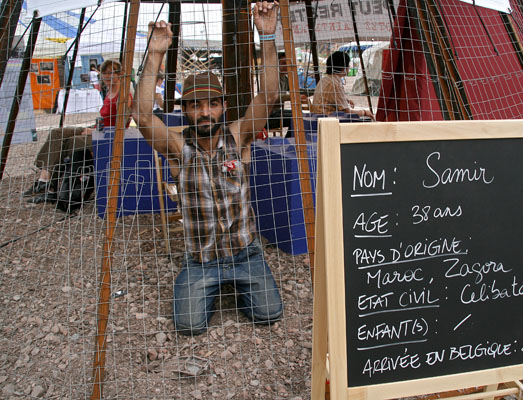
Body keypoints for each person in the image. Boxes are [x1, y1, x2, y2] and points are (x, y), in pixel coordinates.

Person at [132, 2, 283, 336]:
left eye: (212, 104)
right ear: (185, 110)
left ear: (223, 106)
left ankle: (239, 287)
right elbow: (141, 116)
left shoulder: (238, 136)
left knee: (269, 315)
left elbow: (270, 95)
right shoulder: (177, 148)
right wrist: (155, 53)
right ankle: (209, 286)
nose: (204, 113)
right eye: (195, 105)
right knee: (189, 326)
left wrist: (267, 36)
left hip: (246, 254)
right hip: (201, 260)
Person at [23, 59, 131, 203]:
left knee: (71, 142)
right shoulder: (109, 91)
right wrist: (94, 128)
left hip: (107, 135)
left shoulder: (123, 96)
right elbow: (104, 119)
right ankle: (45, 179)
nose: (107, 76)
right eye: (105, 73)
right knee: (57, 133)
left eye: (111, 73)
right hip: (98, 128)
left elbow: (121, 125)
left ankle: (51, 185)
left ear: (119, 74)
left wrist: (95, 132)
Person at [310, 51, 374, 119]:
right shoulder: (334, 84)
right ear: (343, 68)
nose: (349, 67)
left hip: (319, 117)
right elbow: (347, 112)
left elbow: (332, 98)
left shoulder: (325, 79)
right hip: (328, 119)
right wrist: (364, 112)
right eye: (348, 65)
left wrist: (346, 100)